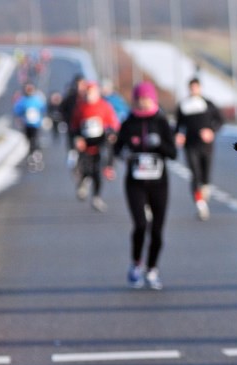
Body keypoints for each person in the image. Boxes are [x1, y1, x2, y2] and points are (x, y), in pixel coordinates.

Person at [114, 81, 177, 290]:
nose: (143, 102)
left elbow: (173, 153)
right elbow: (117, 149)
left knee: (157, 231)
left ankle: (152, 268)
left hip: (159, 182)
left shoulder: (161, 121)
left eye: (146, 98)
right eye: (139, 99)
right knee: (141, 225)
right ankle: (135, 265)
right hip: (135, 182)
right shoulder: (129, 121)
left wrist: (158, 144)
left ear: (153, 99)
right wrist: (126, 152)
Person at [174, 77, 223, 220]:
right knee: (195, 174)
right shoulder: (183, 106)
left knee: (205, 176)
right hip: (190, 145)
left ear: (200, 88)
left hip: (207, 146)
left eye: (196, 87)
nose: (193, 90)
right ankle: (200, 205)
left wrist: (211, 131)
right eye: (191, 88)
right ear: (188, 89)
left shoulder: (208, 104)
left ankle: (204, 191)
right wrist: (178, 135)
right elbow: (178, 126)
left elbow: (220, 121)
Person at [69, 81, 119, 212]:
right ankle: (83, 183)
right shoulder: (80, 107)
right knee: (84, 167)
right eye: (87, 92)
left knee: (97, 171)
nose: (89, 95)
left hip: (99, 143)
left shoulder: (104, 106)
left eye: (91, 92)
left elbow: (113, 123)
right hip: (84, 144)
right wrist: (77, 138)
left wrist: (112, 134)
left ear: (97, 93)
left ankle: (96, 197)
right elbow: (74, 126)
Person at [12, 82, 47, 171]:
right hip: (27, 124)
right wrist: (20, 117)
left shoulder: (37, 99)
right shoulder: (23, 100)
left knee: (34, 139)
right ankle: (32, 155)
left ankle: (36, 154)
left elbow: (43, 108)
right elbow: (17, 110)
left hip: (36, 124)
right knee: (29, 140)